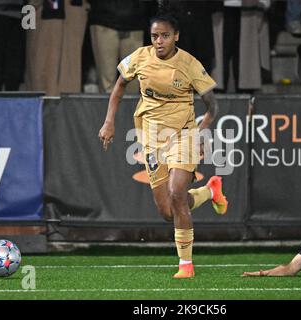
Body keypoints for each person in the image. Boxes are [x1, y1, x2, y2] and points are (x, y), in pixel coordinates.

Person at [98, 6, 229, 279]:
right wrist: (109, 122)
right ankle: (210, 192)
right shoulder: (139, 58)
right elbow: (119, 87)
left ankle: (186, 266)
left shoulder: (190, 65)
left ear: (176, 36)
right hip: (151, 138)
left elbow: (212, 107)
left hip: (183, 134)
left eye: (164, 36)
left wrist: (201, 133)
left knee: (177, 191)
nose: (158, 41)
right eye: (154, 36)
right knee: (168, 211)